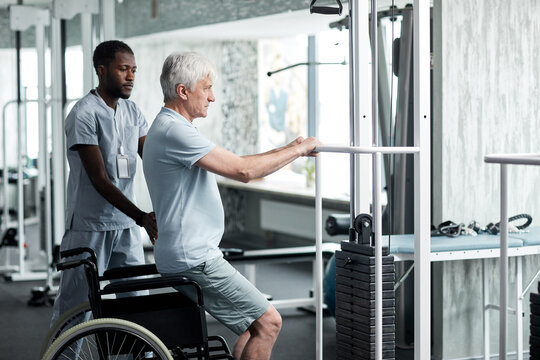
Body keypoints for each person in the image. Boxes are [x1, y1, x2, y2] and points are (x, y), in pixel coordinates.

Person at [142, 51, 321, 360]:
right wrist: (302, 149)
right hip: (194, 257)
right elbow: (243, 171)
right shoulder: (176, 131)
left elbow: (241, 163)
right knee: (269, 322)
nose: (212, 97)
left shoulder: (169, 127)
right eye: (206, 88)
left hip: (190, 253)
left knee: (254, 327)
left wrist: (291, 149)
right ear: (183, 91)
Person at [51, 40, 158, 326]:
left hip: (125, 226)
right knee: (76, 307)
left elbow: (152, 158)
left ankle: (141, 355)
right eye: (123, 69)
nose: (131, 76)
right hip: (90, 226)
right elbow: (99, 178)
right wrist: (141, 217)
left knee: (137, 301)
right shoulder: (83, 114)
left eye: (134, 70)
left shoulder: (132, 111)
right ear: (102, 70)